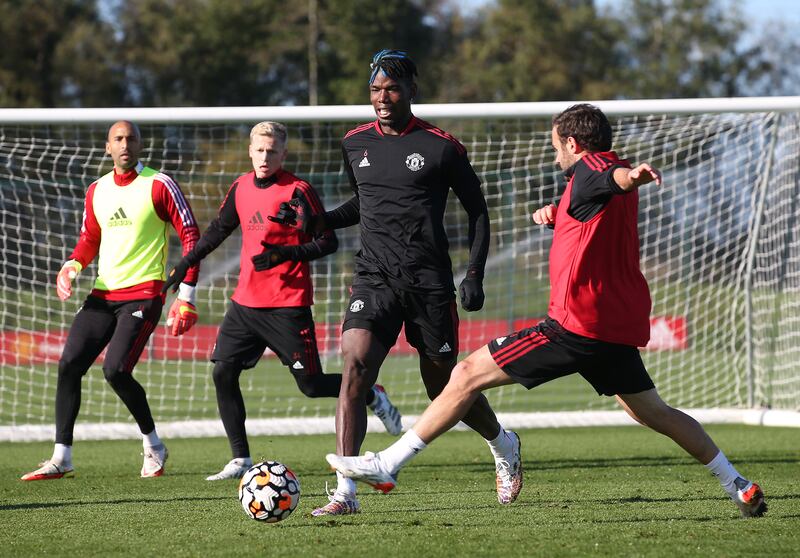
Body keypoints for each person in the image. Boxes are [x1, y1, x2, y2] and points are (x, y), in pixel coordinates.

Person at [326, 103, 768, 519]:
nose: (554, 152)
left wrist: (630, 176)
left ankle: (389, 462)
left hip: (574, 327)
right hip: (613, 330)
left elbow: (609, 178)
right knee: (653, 412)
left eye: (556, 144)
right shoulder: (586, 187)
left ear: (574, 144)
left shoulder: (596, 168)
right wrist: (557, 212)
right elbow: (594, 203)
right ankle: (737, 484)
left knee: (463, 376)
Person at [272, 50, 520, 516]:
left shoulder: (442, 146)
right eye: (375, 89)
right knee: (355, 366)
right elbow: (363, 205)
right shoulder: (354, 143)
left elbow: (478, 211)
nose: (382, 97)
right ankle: (346, 493)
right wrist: (319, 220)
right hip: (374, 276)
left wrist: (474, 272)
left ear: (411, 91)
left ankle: (503, 443)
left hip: (428, 283)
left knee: (443, 386)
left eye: (392, 88)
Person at [162, 121, 402, 481]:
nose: (264, 157)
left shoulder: (298, 190)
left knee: (309, 385)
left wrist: (284, 255)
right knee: (222, 371)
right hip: (245, 304)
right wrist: (186, 261)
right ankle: (240, 458)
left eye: (272, 151)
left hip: (287, 305)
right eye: (259, 150)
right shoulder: (241, 187)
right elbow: (217, 231)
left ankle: (371, 393)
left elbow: (328, 242)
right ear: (250, 151)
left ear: (283, 154)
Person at [21, 120, 200, 481]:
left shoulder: (159, 184)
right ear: (107, 147)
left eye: (131, 138)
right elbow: (89, 238)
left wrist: (186, 297)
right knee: (69, 363)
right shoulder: (97, 190)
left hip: (145, 293)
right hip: (103, 295)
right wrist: (71, 266)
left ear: (140, 145)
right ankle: (62, 456)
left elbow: (191, 235)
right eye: (118, 139)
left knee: (116, 370)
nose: (125, 144)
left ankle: (153, 446)